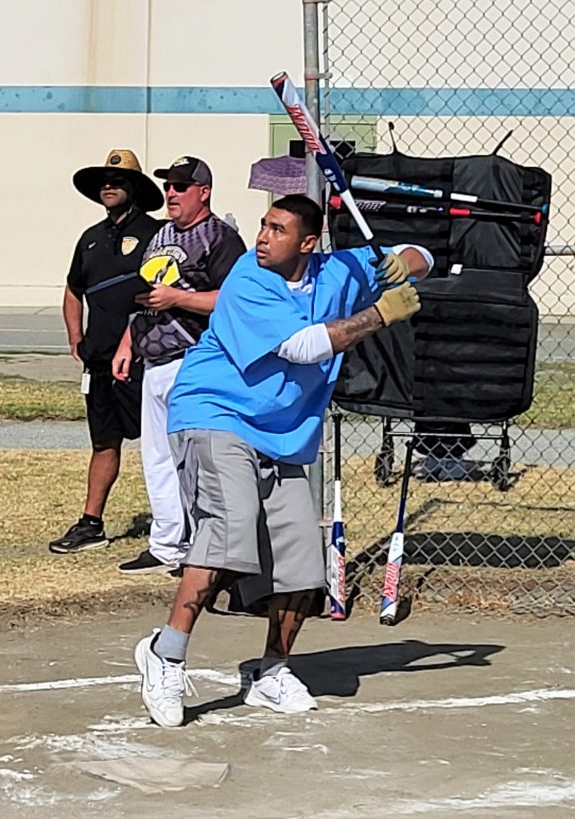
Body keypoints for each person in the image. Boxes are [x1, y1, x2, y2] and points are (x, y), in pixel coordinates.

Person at [133, 194, 431, 728]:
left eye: (278, 229)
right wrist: (379, 313)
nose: (263, 237)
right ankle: (166, 654)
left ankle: (270, 672)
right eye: (263, 225)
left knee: (301, 563)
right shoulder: (248, 278)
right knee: (230, 528)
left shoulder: (338, 271)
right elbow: (304, 346)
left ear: (309, 243)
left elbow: (421, 255)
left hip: (282, 434)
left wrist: (401, 264)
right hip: (216, 413)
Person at [112, 156, 247, 574]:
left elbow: (233, 299)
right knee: (156, 457)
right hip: (154, 357)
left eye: (181, 186)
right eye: (168, 185)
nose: (171, 193)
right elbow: (148, 293)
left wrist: (179, 299)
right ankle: (166, 543)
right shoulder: (161, 235)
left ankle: (200, 547)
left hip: (195, 358)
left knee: (194, 460)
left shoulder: (220, 238)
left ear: (204, 192)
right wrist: (128, 341)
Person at [49, 150, 164, 553]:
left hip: (144, 359)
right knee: (103, 442)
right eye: (104, 182)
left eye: (118, 180)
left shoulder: (157, 233)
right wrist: (75, 336)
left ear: (136, 188)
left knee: (162, 446)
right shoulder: (91, 238)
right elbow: (73, 289)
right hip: (99, 361)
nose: (109, 186)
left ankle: (175, 526)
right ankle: (91, 523)